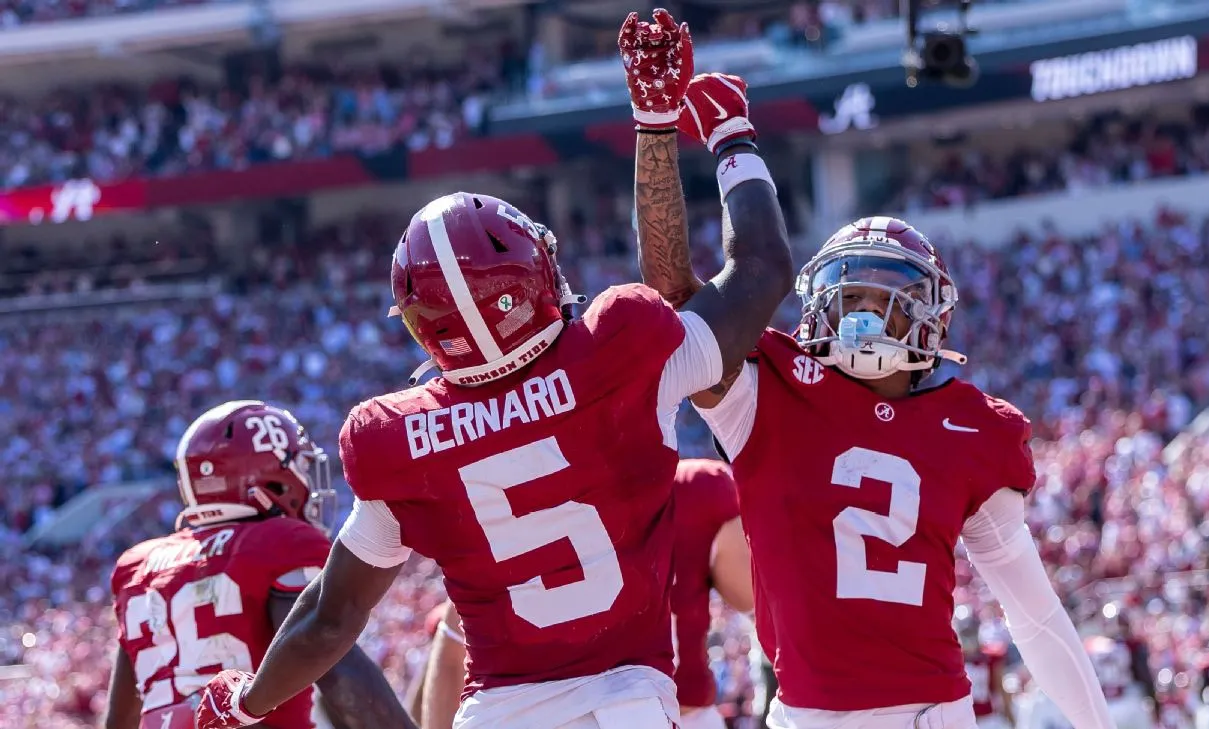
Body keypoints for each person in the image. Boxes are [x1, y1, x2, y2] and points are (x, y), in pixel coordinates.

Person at [193, 8, 792, 728]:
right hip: (627, 705)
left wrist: (245, 702)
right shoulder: (619, 344)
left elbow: (330, 617)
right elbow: (759, 270)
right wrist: (727, 137)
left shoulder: (396, 437)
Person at [632, 72, 1113, 726]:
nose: (865, 315)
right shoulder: (765, 389)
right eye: (851, 296)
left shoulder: (977, 428)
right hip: (807, 714)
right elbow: (678, 303)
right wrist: (699, 141)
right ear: (820, 303)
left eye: (886, 299)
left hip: (929, 714)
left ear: (931, 314)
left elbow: (1031, 608)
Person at [104, 401, 412, 729]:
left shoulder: (136, 565)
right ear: (272, 477)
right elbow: (328, 658)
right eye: (298, 467)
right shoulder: (281, 541)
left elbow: (122, 713)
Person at [416, 459, 754, 729]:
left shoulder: (698, 490)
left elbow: (749, 596)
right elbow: (450, 646)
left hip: (672, 711)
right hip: (583, 712)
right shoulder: (700, 489)